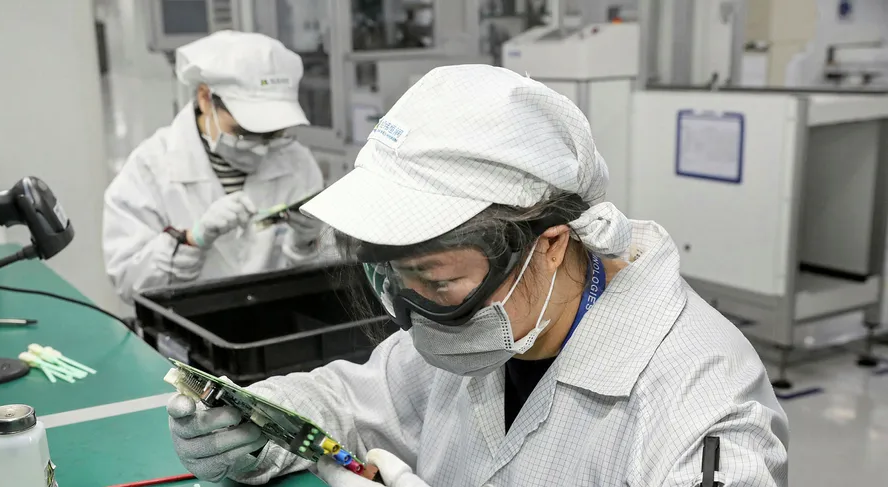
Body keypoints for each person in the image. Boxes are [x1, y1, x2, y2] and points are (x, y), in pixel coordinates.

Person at [166, 65, 789, 485]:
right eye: (396, 280)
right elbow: (351, 401)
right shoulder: (484, 325)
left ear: (548, 244)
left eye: (436, 284)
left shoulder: (701, 401)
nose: (415, 314)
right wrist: (258, 423)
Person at [103, 31, 325, 303]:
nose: (261, 146)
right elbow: (128, 283)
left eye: (273, 134)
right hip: (190, 330)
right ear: (206, 98)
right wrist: (192, 240)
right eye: (245, 131)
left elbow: (323, 286)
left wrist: (306, 244)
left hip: (278, 325)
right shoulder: (150, 168)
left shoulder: (297, 163)